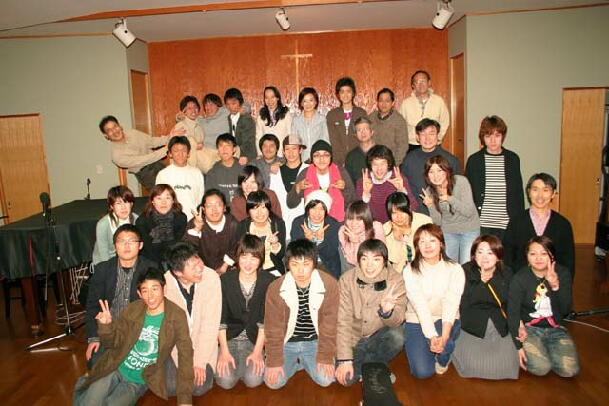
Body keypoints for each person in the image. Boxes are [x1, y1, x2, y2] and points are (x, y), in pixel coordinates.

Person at [73, 268, 194, 406]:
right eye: (145, 291)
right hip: (115, 366)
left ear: (164, 289)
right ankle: (86, 385)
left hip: (138, 381)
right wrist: (106, 326)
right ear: (139, 294)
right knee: (91, 402)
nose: (150, 296)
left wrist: (185, 399)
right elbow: (114, 342)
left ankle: (87, 385)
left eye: (155, 289)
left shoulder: (177, 316)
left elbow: (185, 355)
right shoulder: (132, 309)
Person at [264, 239, 339, 389]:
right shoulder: (275, 288)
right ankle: (297, 363)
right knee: (273, 383)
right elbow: (273, 328)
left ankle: (305, 361)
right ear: (288, 264)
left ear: (314, 264)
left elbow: (330, 325)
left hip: (314, 341)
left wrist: (325, 357)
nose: (300, 271)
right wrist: (274, 361)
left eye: (306, 264)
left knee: (327, 379)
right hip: (287, 342)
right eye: (294, 264)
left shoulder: (329, 284)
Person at [335, 239, 406, 386]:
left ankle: (372, 364)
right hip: (354, 338)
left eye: (376, 259)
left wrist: (387, 312)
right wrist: (345, 359)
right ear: (359, 260)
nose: (369, 265)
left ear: (384, 261)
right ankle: (374, 366)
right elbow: (342, 320)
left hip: (379, 334)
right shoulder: (346, 280)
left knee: (398, 336)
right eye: (364, 259)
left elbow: (398, 319)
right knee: (346, 380)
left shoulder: (395, 280)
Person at [85, 224, 156, 369]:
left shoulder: (151, 269)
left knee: (140, 366)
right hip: (110, 329)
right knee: (96, 363)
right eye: (121, 241)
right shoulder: (102, 269)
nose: (126, 245)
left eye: (131, 241)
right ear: (115, 246)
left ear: (140, 245)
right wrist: (94, 337)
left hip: (139, 331)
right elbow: (93, 306)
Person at [507, 236, 579, 377]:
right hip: (529, 329)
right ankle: (540, 351)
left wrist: (555, 286)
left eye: (544, 253)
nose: (538, 258)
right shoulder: (520, 278)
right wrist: (518, 347)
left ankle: (546, 350)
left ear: (552, 256)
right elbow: (513, 312)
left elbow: (565, 310)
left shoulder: (562, 273)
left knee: (570, 371)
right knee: (541, 368)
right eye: (533, 253)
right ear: (527, 256)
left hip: (556, 329)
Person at [452, 235, 519, 379]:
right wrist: (481, 284)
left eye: (490, 252)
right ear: (474, 255)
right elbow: (463, 303)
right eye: (480, 252)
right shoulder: (464, 271)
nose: (484, 257)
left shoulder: (506, 272)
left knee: (510, 366)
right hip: (473, 325)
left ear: (498, 256)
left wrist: (519, 324)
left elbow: (511, 303)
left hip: (499, 323)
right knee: (471, 366)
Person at [403, 224, 465, 378]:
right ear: (417, 246)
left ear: (441, 244)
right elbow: (420, 306)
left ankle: (444, 358)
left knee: (445, 345)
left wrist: (443, 337)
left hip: (445, 319)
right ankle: (431, 345)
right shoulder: (410, 270)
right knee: (422, 372)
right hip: (417, 319)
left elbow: (451, 304)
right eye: (422, 242)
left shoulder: (455, 269)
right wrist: (431, 336)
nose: (427, 246)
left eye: (432, 240)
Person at [215, 234, 275, 389]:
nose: (248, 263)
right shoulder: (225, 280)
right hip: (229, 338)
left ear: (261, 259)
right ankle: (235, 365)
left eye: (254, 258)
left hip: (254, 339)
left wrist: (257, 352)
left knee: (253, 381)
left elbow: (265, 320)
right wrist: (224, 352)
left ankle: (243, 367)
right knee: (226, 382)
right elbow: (220, 318)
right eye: (244, 256)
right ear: (237, 257)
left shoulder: (268, 281)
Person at [164, 242, 221, 397]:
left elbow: (210, 325)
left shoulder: (211, 278)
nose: (200, 268)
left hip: (203, 345)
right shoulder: (165, 285)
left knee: (198, 388)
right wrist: (184, 364)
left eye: (199, 261)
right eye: (193, 267)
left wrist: (199, 362)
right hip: (177, 348)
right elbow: (170, 332)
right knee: (170, 388)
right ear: (178, 272)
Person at [503, 173, 575, 277]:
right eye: (535, 190)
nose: (540, 196)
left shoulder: (563, 224)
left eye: (545, 190)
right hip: (521, 281)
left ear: (553, 194)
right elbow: (508, 257)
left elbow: (568, 261)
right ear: (528, 192)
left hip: (551, 280)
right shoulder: (516, 222)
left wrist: (559, 281)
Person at [465, 115, 524, 239]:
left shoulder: (513, 159)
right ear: (483, 138)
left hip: (506, 223)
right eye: (488, 136)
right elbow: (467, 193)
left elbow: (518, 193)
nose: (493, 141)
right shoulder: (474, 160)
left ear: (503, 136)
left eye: (497, 135)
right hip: (481, 223)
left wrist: (519, 221)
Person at [99, 115, 183, 190]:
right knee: (163, 194)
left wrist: (169, 137)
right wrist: (166, 148)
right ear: (106, 135)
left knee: (178, 186)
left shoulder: (132, 133)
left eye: (115, 126)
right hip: (146, 174)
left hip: (157, 163)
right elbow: (144, 160)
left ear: (120, 126)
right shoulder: (116, 156)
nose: (114, 131)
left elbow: (152, 141)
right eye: (109, 130)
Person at [422, 155, 480, 264]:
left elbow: (469, 212)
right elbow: (438, 222)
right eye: (431, 172)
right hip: (449, 231)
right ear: (427, 175)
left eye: (439, 170)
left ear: (446, 170)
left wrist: (449, 198)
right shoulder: (430, 191)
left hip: (469, 228)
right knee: (448, 265)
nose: (436, 175)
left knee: (466, 264)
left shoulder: (461, 181)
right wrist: (430, 206)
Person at [400, 118, 461, 214]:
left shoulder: (451, 160)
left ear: (438, 136)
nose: (427, 138)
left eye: (431, 134)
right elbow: (403, 186)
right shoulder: (409, 159)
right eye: (423, 134)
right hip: (417, 214)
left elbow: (457, 192)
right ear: (417, 137)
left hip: (443, 214)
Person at [287, 140, 355, 222]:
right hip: (312, 223)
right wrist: (297, 188)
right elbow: (290, 204)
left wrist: (344, 189)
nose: (321, 159)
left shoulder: (340, 172)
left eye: (326, 155)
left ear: (331, 157)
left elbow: (352, 202)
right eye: (317, 155)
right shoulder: (305, 173)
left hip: (338, 223)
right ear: (312, 158)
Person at [356, 144, 418, 223]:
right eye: (375, 164)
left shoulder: (398, 179)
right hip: (373, 226)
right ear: (370, 165)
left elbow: (413, 208)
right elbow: (360, 215)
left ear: (388, 164)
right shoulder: (364, 182)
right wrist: (366, 194)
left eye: (383, 164)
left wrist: (402, 190)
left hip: (396, 224)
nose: (379, 168)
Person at [184, 189, 239, 275]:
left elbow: (237, 247)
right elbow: (187, 250)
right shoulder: (195, 223)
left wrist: (224, 267)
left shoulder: (232, 223)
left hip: (227, 269)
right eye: (209, 206)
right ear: (203, 209)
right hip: (201, 270)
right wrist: (197, 229)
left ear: (224, 208)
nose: (214, 210)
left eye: (218, 205)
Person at [290, 190, 342, 279]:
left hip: (327, 266)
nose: (317, 213)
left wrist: (320, 241)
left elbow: (330, 254)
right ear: (307, 209)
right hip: (304, 264)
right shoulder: (298, 223)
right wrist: (307, 241)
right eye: (313, 208)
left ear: (326, 211)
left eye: (321, 209)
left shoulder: (333, 224)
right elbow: (295, 253)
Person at [235, 190, 286, 276]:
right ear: (248, 211)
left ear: (269, 209)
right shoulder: (242, 226)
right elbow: (239, 254)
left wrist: (275, 245)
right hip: (250, 270)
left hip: (273, 269)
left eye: (263, 208)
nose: (259, 213)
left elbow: (281, 255)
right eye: (255, 208)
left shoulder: (278, 224)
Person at [135, 184, 188, 265]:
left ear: (173, 200)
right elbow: (147, 250)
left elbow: (179, 246)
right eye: (159, 198)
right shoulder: (142, 221)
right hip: (150, 261)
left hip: (175, 260)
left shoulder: (181, 218)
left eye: (167, 198)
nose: (163, 202)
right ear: (152, 201)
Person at [398, 70, 450, 152]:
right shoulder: (406, 103)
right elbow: (400, 125)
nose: (421, 84)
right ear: (413, 85)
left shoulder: (438, 101)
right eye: (417, 82)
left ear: (429, 83)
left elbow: (445, 121)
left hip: (433, 144)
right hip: (413, 145)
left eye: (423, 81)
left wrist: (438, 137)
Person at [155, 136, 205, 221]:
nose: (180, 154)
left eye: (184, 150)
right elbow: (159, 201)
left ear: (188, 153)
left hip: (193, 220)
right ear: (170, 154)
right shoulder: (163, 174)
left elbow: (200, 199)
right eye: (176, 151)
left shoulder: (197, 173)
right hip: (171, 221)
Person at [269, 134, 309, 238]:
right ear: (283, 151)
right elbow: (272, 201)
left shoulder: (309, 170)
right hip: (282, 227)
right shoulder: (275, 172)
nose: (291, 153)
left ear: (300, 150)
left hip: (305, 228)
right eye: (287, 149)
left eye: (294, 148)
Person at [383, 192, 432, 274]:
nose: (399, 217)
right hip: (401, 270)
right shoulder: (386, 228)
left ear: (409, 208)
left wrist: (408, 234)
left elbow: (429, 249)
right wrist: (397, 239)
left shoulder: (424, 221)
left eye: (402, 212)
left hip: (425, 265)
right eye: (394, 213)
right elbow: (394, 259)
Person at [171, 95, 219, 174]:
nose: (193, 110)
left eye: (195, 107)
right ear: (184, 111)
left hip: (201, 157)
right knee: (191, 141)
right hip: (187, 162)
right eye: (189, 108)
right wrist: (195, 145)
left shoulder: (199, 123)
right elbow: (179, 148)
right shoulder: (180, 126)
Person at [326, 77, 368, 165]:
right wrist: (341, 160)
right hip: (337, 161)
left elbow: (364, 138)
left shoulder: (361, 113)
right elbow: (333, 140)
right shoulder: (332, 115)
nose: (345, 95)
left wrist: (354, 158)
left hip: (358, 159)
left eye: (348, 91)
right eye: (342, 91)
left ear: (353, 93)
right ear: (338, 94)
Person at [92, 186, 138, 266]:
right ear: (112, 206)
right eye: (118, 203)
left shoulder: (137, 219)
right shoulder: (103, 225)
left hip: (128, 261)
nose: (123, 207)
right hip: (106, 262)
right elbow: (104, 257)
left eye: (126, 202)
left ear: (131, 204)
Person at [339, 200, 386, 270]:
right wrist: (355, 243)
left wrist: (358, 242)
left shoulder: (376, 227)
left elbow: (379, 256)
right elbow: (354, 262)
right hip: (354, 269)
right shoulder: (343, 231)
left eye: (359, 219)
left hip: (376, 268)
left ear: (366, 218)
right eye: (350, 219)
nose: (354, 223)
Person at [368, 87, 408, 164]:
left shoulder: (399, 120)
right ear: (377, 102)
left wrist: (395, 164)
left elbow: (402, 146)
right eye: (381, 100)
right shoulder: (371, 118)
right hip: (373, 161)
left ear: (392, 103)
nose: (384, 104)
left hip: (391, 162)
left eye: (387, 101)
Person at [290, 87, 330, 161]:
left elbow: (326, 140)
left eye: (311, 100)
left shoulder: (322, 119)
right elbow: (293, 142)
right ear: (301, 103)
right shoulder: (296, 121)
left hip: (319, 159)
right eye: (305, 101)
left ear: (316, 102)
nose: (308, 104)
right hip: (301, 159)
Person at [205, 133, 244, 204]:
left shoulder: (243, 168)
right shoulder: (212, 173)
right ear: (217, 150)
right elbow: (210, 197)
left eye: (228, 145)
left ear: (234, 149)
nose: (224, 149)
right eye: (221, 146)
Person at [255, 86, 293, 156]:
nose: (270, 100)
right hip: (266, 155)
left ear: (277, 98)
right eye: (267, 97)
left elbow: (290, 135)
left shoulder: (286, 114)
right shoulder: (261, 116)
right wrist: (260, 154)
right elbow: (258, 137)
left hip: (282, 154)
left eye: (272, 97)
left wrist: (287, 153)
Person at [225, 88, 256, 164]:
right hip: (235, 151)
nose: (230, 107)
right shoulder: (230, 117)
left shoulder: (245, 118)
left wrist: (241, 154)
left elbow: (248, 142)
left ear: (240, 103)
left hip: (247, 154)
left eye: (233, 103)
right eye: (228, 104)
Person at [345, 116, 376, 185]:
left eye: (366, 129)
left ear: (372, 132)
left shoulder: (383, 152)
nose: (363, 133)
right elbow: (349, 183)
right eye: (359, 130)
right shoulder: (351, 156)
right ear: (355, 135)